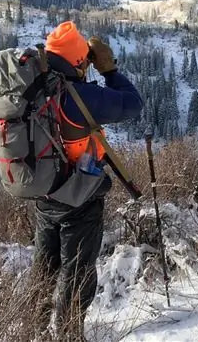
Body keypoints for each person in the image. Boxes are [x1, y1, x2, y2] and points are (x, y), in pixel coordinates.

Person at [30, 21, 143, 339]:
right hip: (79, 198)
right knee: (77, 272)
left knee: (44, 270)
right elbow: (133, 103)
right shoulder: (82, 96)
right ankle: (69, 335)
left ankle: (35, 332)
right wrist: (108, 70)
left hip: (44, 193)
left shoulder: (36, 89)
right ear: (79, 62)